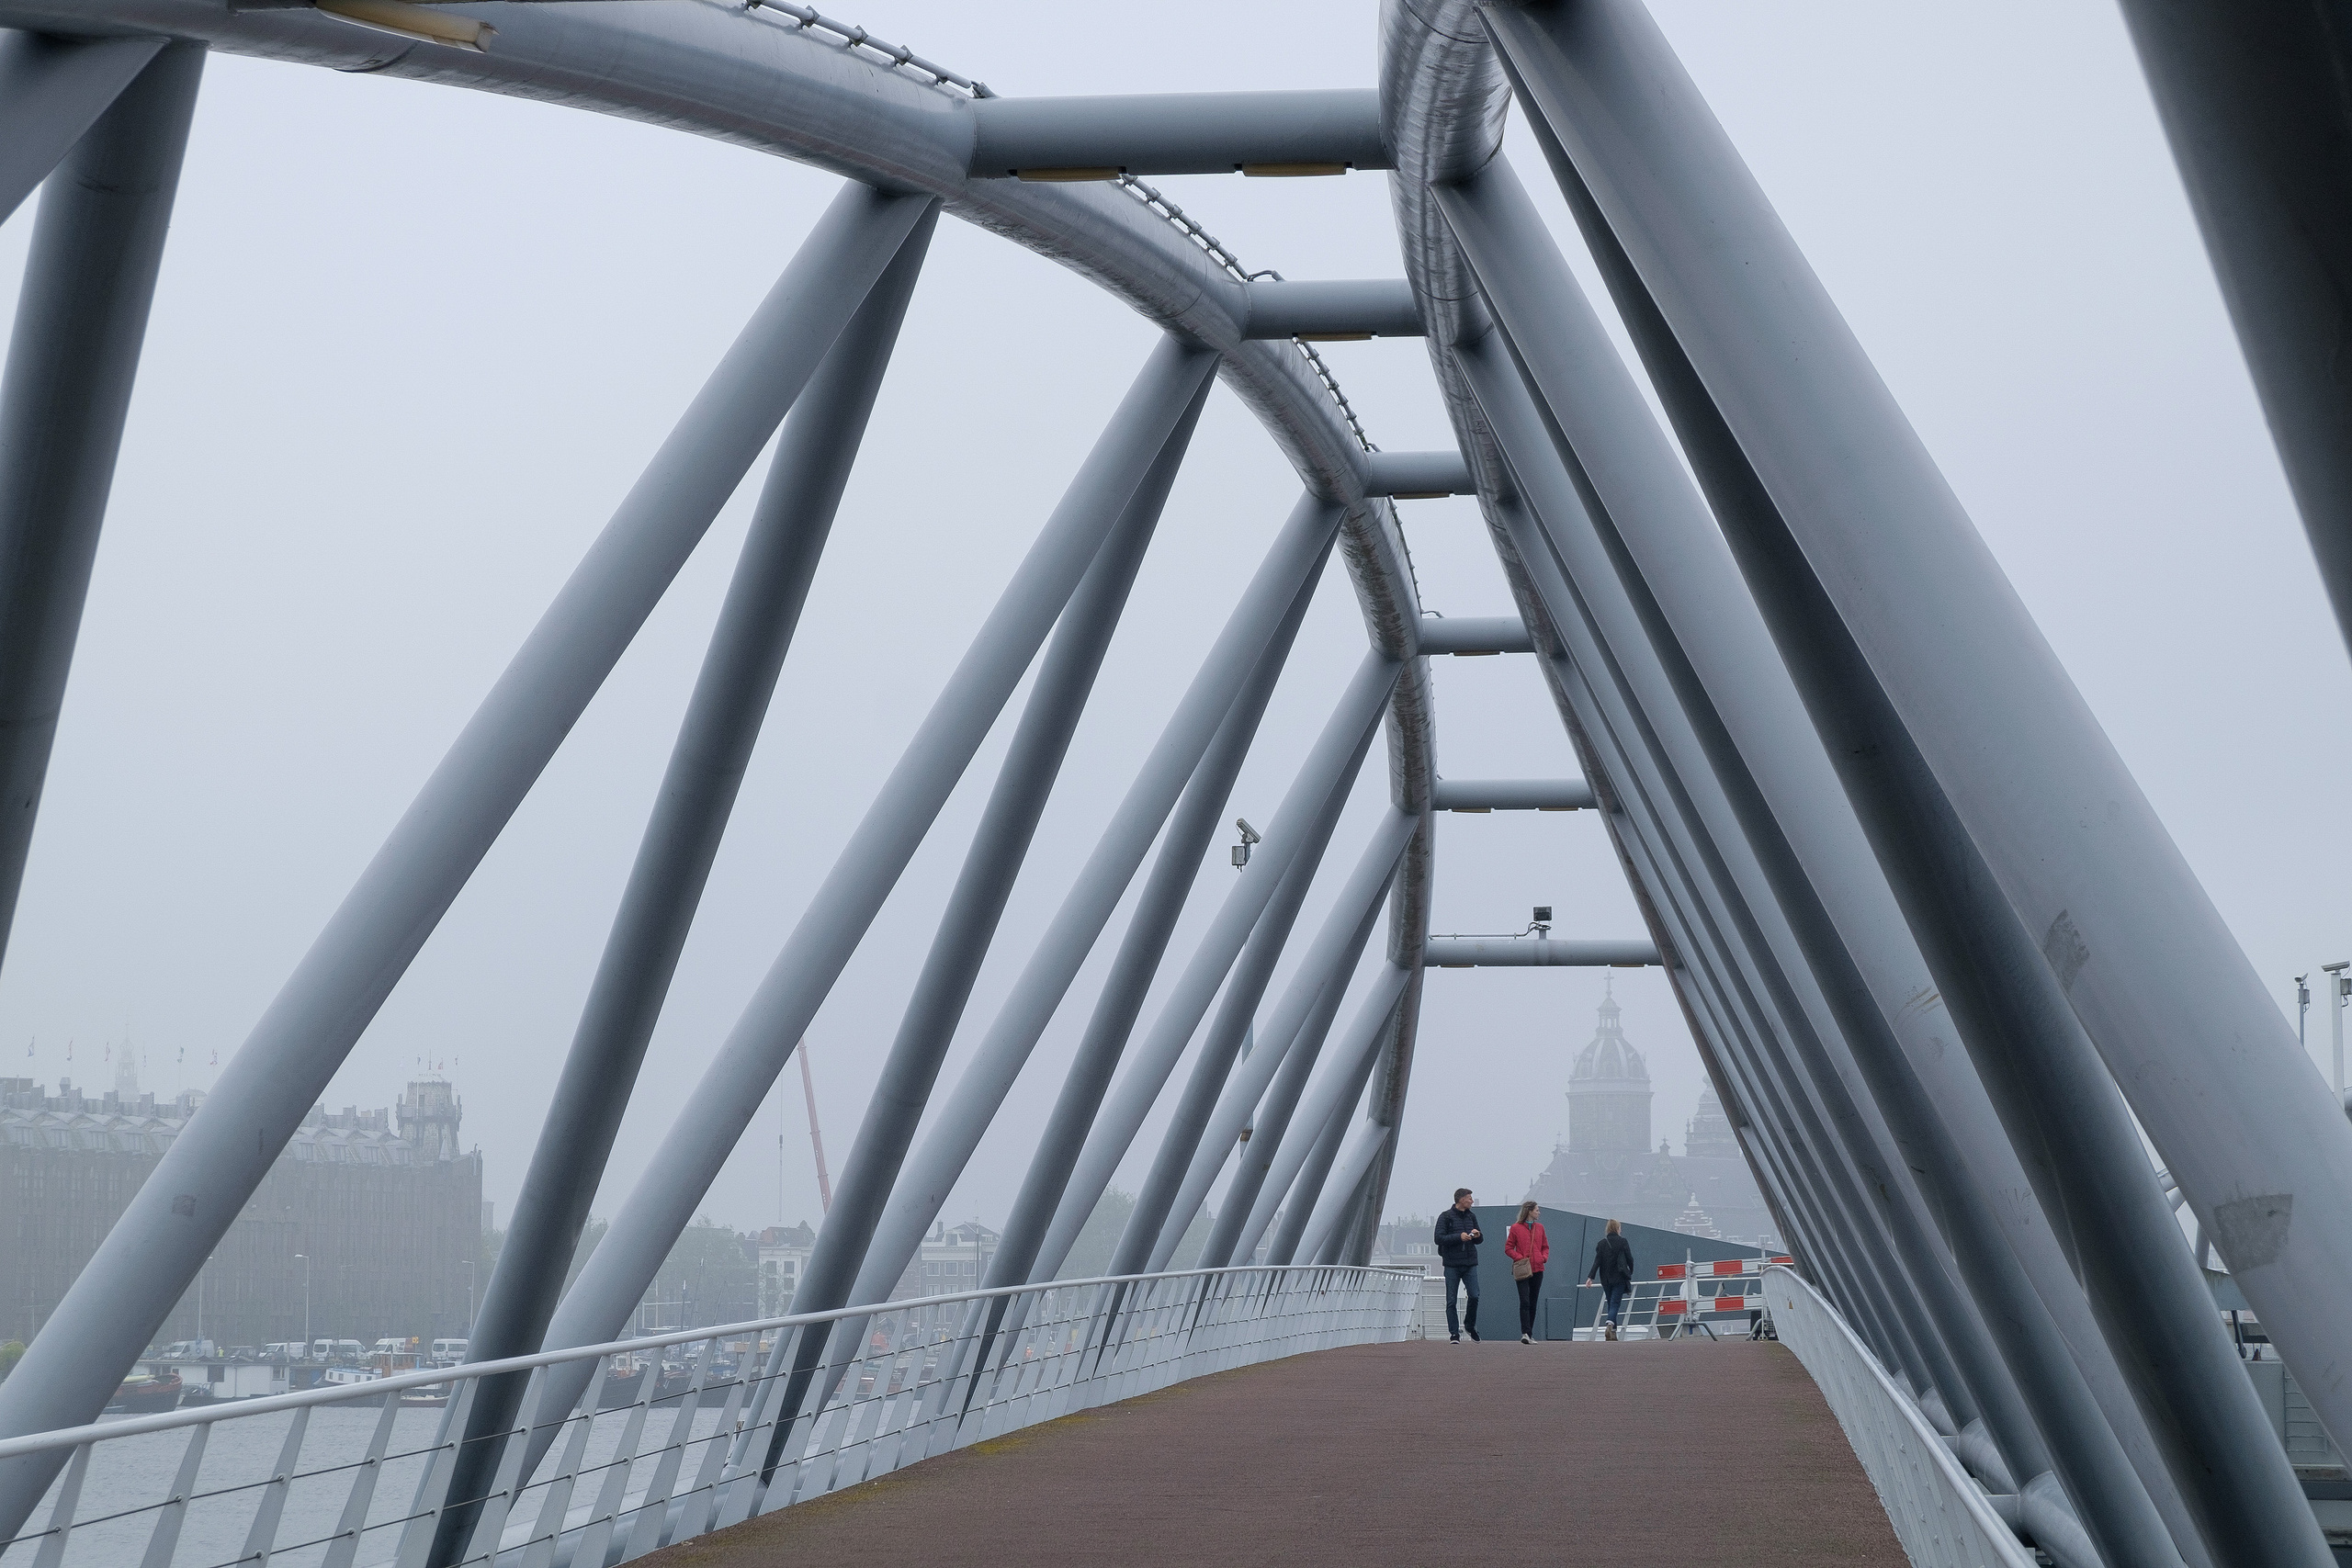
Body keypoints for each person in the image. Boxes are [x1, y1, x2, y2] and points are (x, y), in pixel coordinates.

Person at [1434, 1189, 1484, 1342]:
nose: (1472, 1201)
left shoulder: (1471, 1216)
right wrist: (1458, 1237)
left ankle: (1469, 1325)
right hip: (1452, 1264)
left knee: (1474, 1295)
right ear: (1461, 1200)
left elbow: (1480, 1240)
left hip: (1470, 1263)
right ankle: (1454, 1333)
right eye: (1469, 1198)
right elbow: (1438, 1238)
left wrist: (1477, 1235)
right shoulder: (1445, 1217)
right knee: (1451, 1300)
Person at [1505, 1201, 1549, 1344]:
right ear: (1529, 1211)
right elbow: (1508, 1248)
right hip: (1523, 1269)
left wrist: (1543, 1258)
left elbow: (1545, 1247)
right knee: (1524, 1300)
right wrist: (1520, 1258)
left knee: (1533, 1301)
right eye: (1537, 1210)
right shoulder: (1516, 1228)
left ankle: (1529, 1333)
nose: (1539, 1212)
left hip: (1538, 1269)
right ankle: (1525, 1332)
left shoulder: (1540, 1228)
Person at [1586, 1218, 1634, 1341]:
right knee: (1615, 1303)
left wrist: (1590, 1277)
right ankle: (1610, 1324)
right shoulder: (1623, 1241)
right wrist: (1630, 1272)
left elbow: (1597, 1262)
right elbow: (1630, 1258)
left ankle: (1613, 1332)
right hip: (1619, 1277)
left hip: (1605, 1279)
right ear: (1617, 1229)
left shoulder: (1602, 1243)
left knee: (1611, 1302)